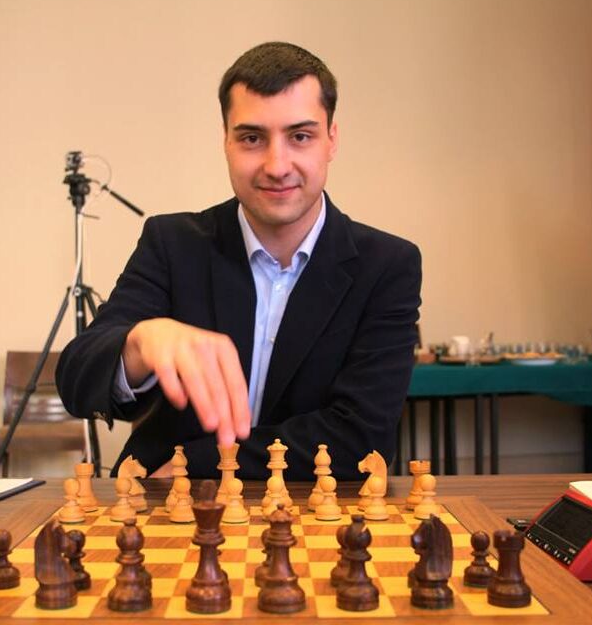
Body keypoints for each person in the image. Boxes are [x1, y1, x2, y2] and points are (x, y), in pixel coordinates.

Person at [56, 42, 421, 480]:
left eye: (300, 136)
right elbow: (76, 380)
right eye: (252, 138)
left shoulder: (387, 265)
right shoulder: (172, 243)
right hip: (165, 510)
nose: (277, 165)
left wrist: (196, 465)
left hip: (292, 508)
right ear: (226, 142)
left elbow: (360, 437)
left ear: (331, 140)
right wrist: (138, 343)